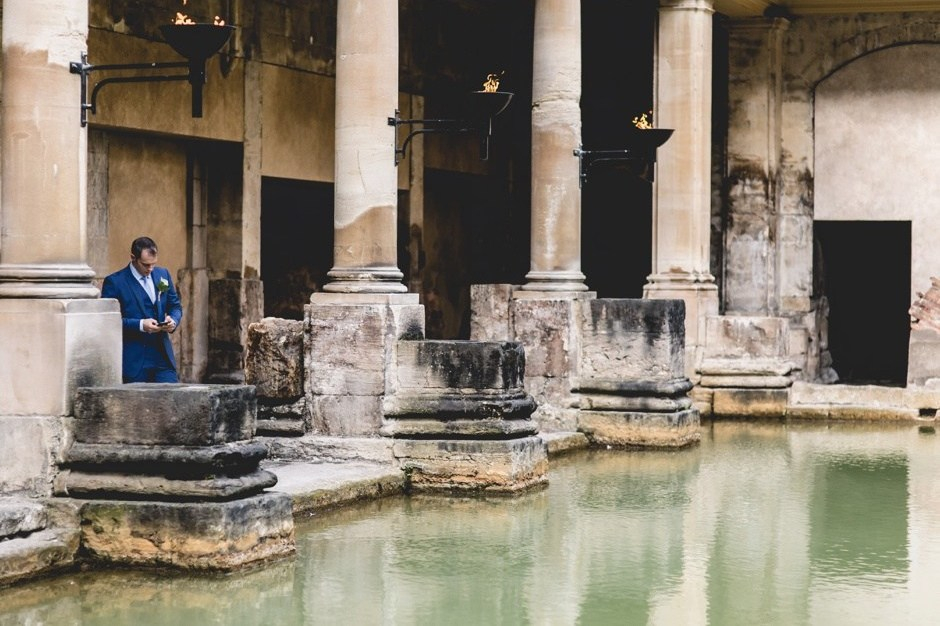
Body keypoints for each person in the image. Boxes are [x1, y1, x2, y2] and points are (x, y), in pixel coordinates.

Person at [102, 236, 183, 383]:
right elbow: (108, 322)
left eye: (153, 264)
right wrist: (140, 325)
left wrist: (173, 320)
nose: (150, 269)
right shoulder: (114, 282)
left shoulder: (163, 274)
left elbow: (175, 306)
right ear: (133, 258)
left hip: (163, 358)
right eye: (146, 265)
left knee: (171, 396)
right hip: (133, 361)